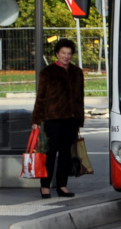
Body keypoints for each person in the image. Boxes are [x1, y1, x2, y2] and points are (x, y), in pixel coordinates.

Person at [31, 39, 86, 199]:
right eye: (63, 53)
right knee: (50, 154)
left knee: (65, 155)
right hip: (53, 119)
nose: (66, 56)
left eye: (69, 53)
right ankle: (45, 186)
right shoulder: (47, 72)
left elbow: (80, 97)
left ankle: (62, 186)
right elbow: (40, 97)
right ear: (57, 54)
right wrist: (36, 120)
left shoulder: (77, 72)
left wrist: (79, 119)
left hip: (71, 119)